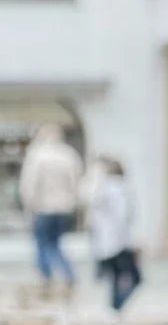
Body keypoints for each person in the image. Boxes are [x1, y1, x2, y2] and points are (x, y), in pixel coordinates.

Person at [19, 123, 83, 289]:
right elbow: (77, 183)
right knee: (55, 243)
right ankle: (65, 273)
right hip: (65, 208)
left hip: (44, 207)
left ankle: (47, 276)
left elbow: (29, 185)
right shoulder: (69, 155)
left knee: (44, 244)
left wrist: (28, 206)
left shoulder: (37, 155)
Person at [86, 156, 141, 311]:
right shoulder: (120, 189)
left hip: (106, 241)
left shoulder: (102, 189)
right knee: (133, 277)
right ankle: (116, 306)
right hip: (119, 241)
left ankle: (115, 306)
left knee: (116, 277)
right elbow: (124, 217)